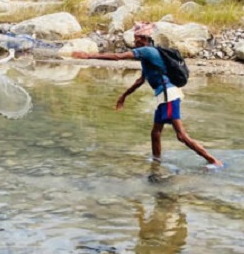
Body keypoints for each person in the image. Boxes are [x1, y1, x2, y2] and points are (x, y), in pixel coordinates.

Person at [72, 22, 222, 167]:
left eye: (137, 40)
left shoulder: (147, 51)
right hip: (163, 97)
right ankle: (156, 162)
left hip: (168, 95)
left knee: (181, 135)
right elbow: (140, 80)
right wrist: (124, 96)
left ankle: (213, 161)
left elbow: (119, 57)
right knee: (155, 133)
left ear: (144, 39)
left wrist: (89, 56)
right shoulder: (148, 57)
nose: (134, 43)